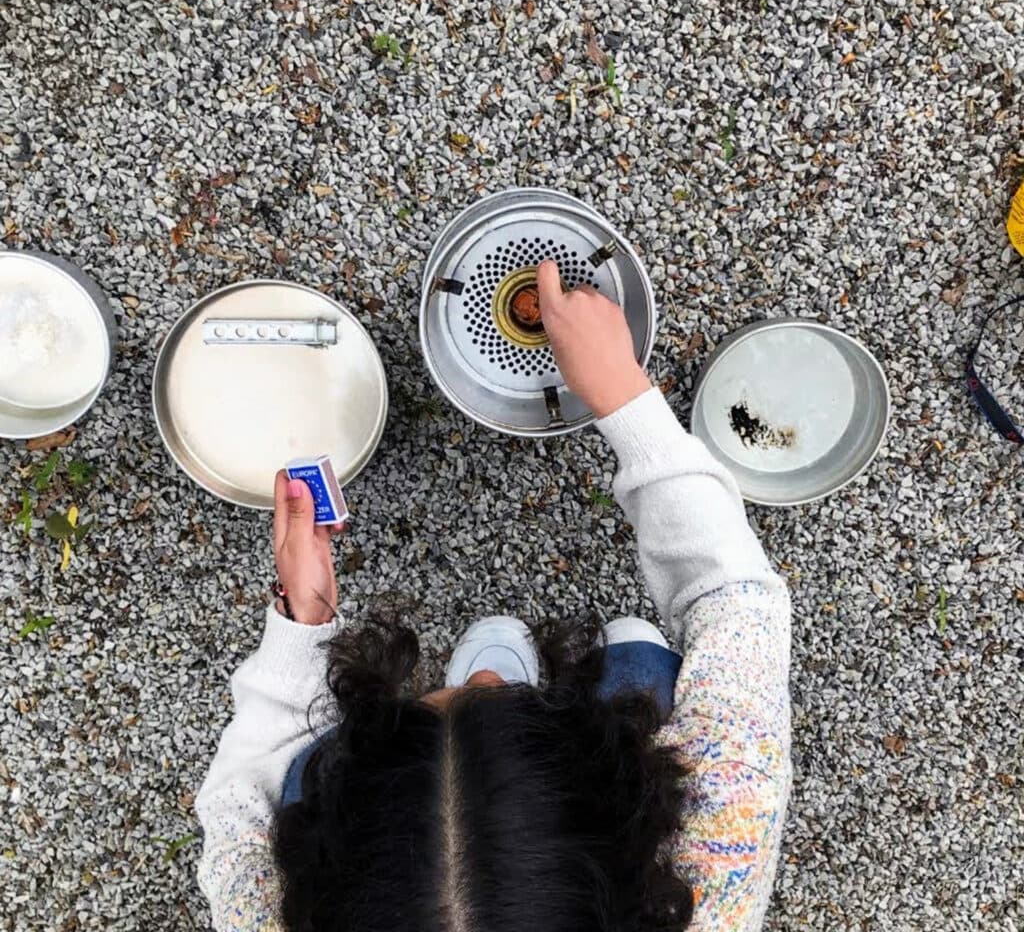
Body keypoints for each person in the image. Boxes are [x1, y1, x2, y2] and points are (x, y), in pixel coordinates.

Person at [196, 259, 792, 931]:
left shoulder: (266, 915)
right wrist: (625, 396)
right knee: (639, 667)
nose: (482, 674)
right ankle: (607, 674)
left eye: (452, 695)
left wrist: (304, 622)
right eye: (496, 693)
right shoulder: (718, 870)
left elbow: (239, 807)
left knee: (302, 769)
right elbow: (735, 601)